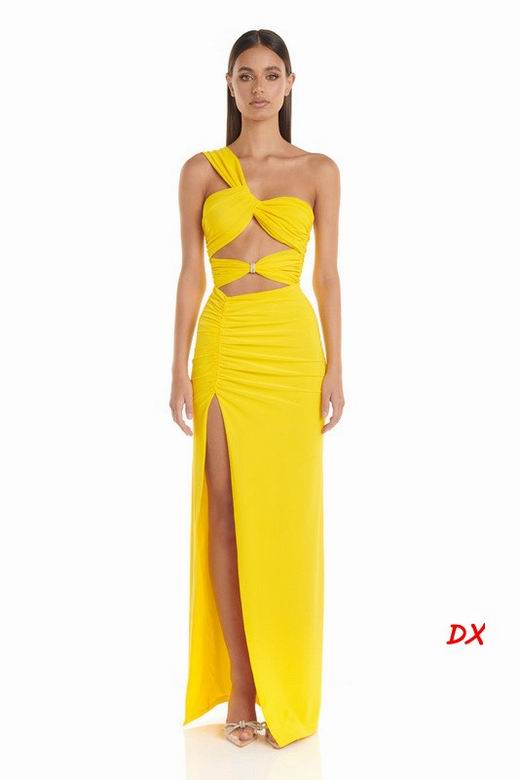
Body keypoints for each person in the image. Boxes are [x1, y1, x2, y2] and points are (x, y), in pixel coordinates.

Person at [170, 28, 345, 749]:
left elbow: (327, 275)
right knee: (223, 508)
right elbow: (189, 273)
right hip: (223, 343)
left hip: (289, 348)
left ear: (290, 84)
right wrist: (176, 365)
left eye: (272, 75)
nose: (259, 87)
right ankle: (242, 687)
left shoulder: (318, 170)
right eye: (246, 75)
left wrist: (336, 365)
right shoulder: (201, 171)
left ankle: (285, 683)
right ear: (229, 84)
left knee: (284, 518)